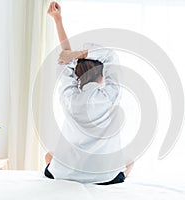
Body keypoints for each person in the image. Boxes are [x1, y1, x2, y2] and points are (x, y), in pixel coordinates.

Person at [45, 1, 133, 185]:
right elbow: (110, 56)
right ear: (103, 75)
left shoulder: (68, 96)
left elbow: (64, 57)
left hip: (65, 174)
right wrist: (77, 54)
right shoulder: (111, 95)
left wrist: (58, 21)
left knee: (49, 156)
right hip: (104, 177)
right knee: (130, 161)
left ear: (76, 75)